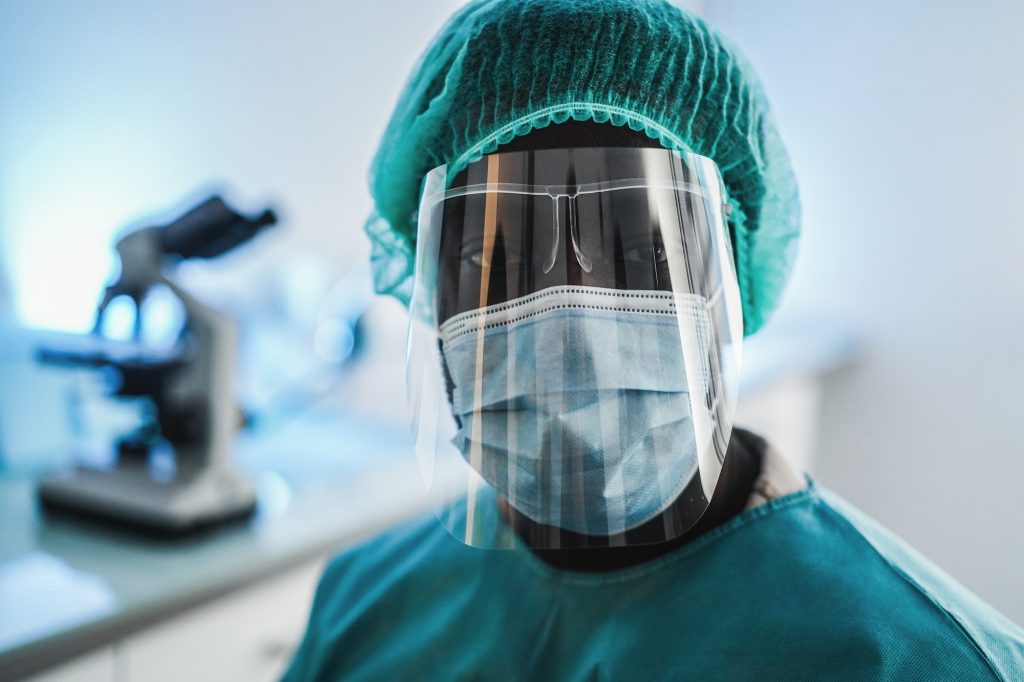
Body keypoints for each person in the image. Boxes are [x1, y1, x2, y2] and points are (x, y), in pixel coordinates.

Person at [283, 1, 1024, 679]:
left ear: (729, 283)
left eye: (646, 253)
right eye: (492, 257)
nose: (567, 323)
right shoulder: (364, 607)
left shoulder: (914, 661)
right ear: (430, 289)